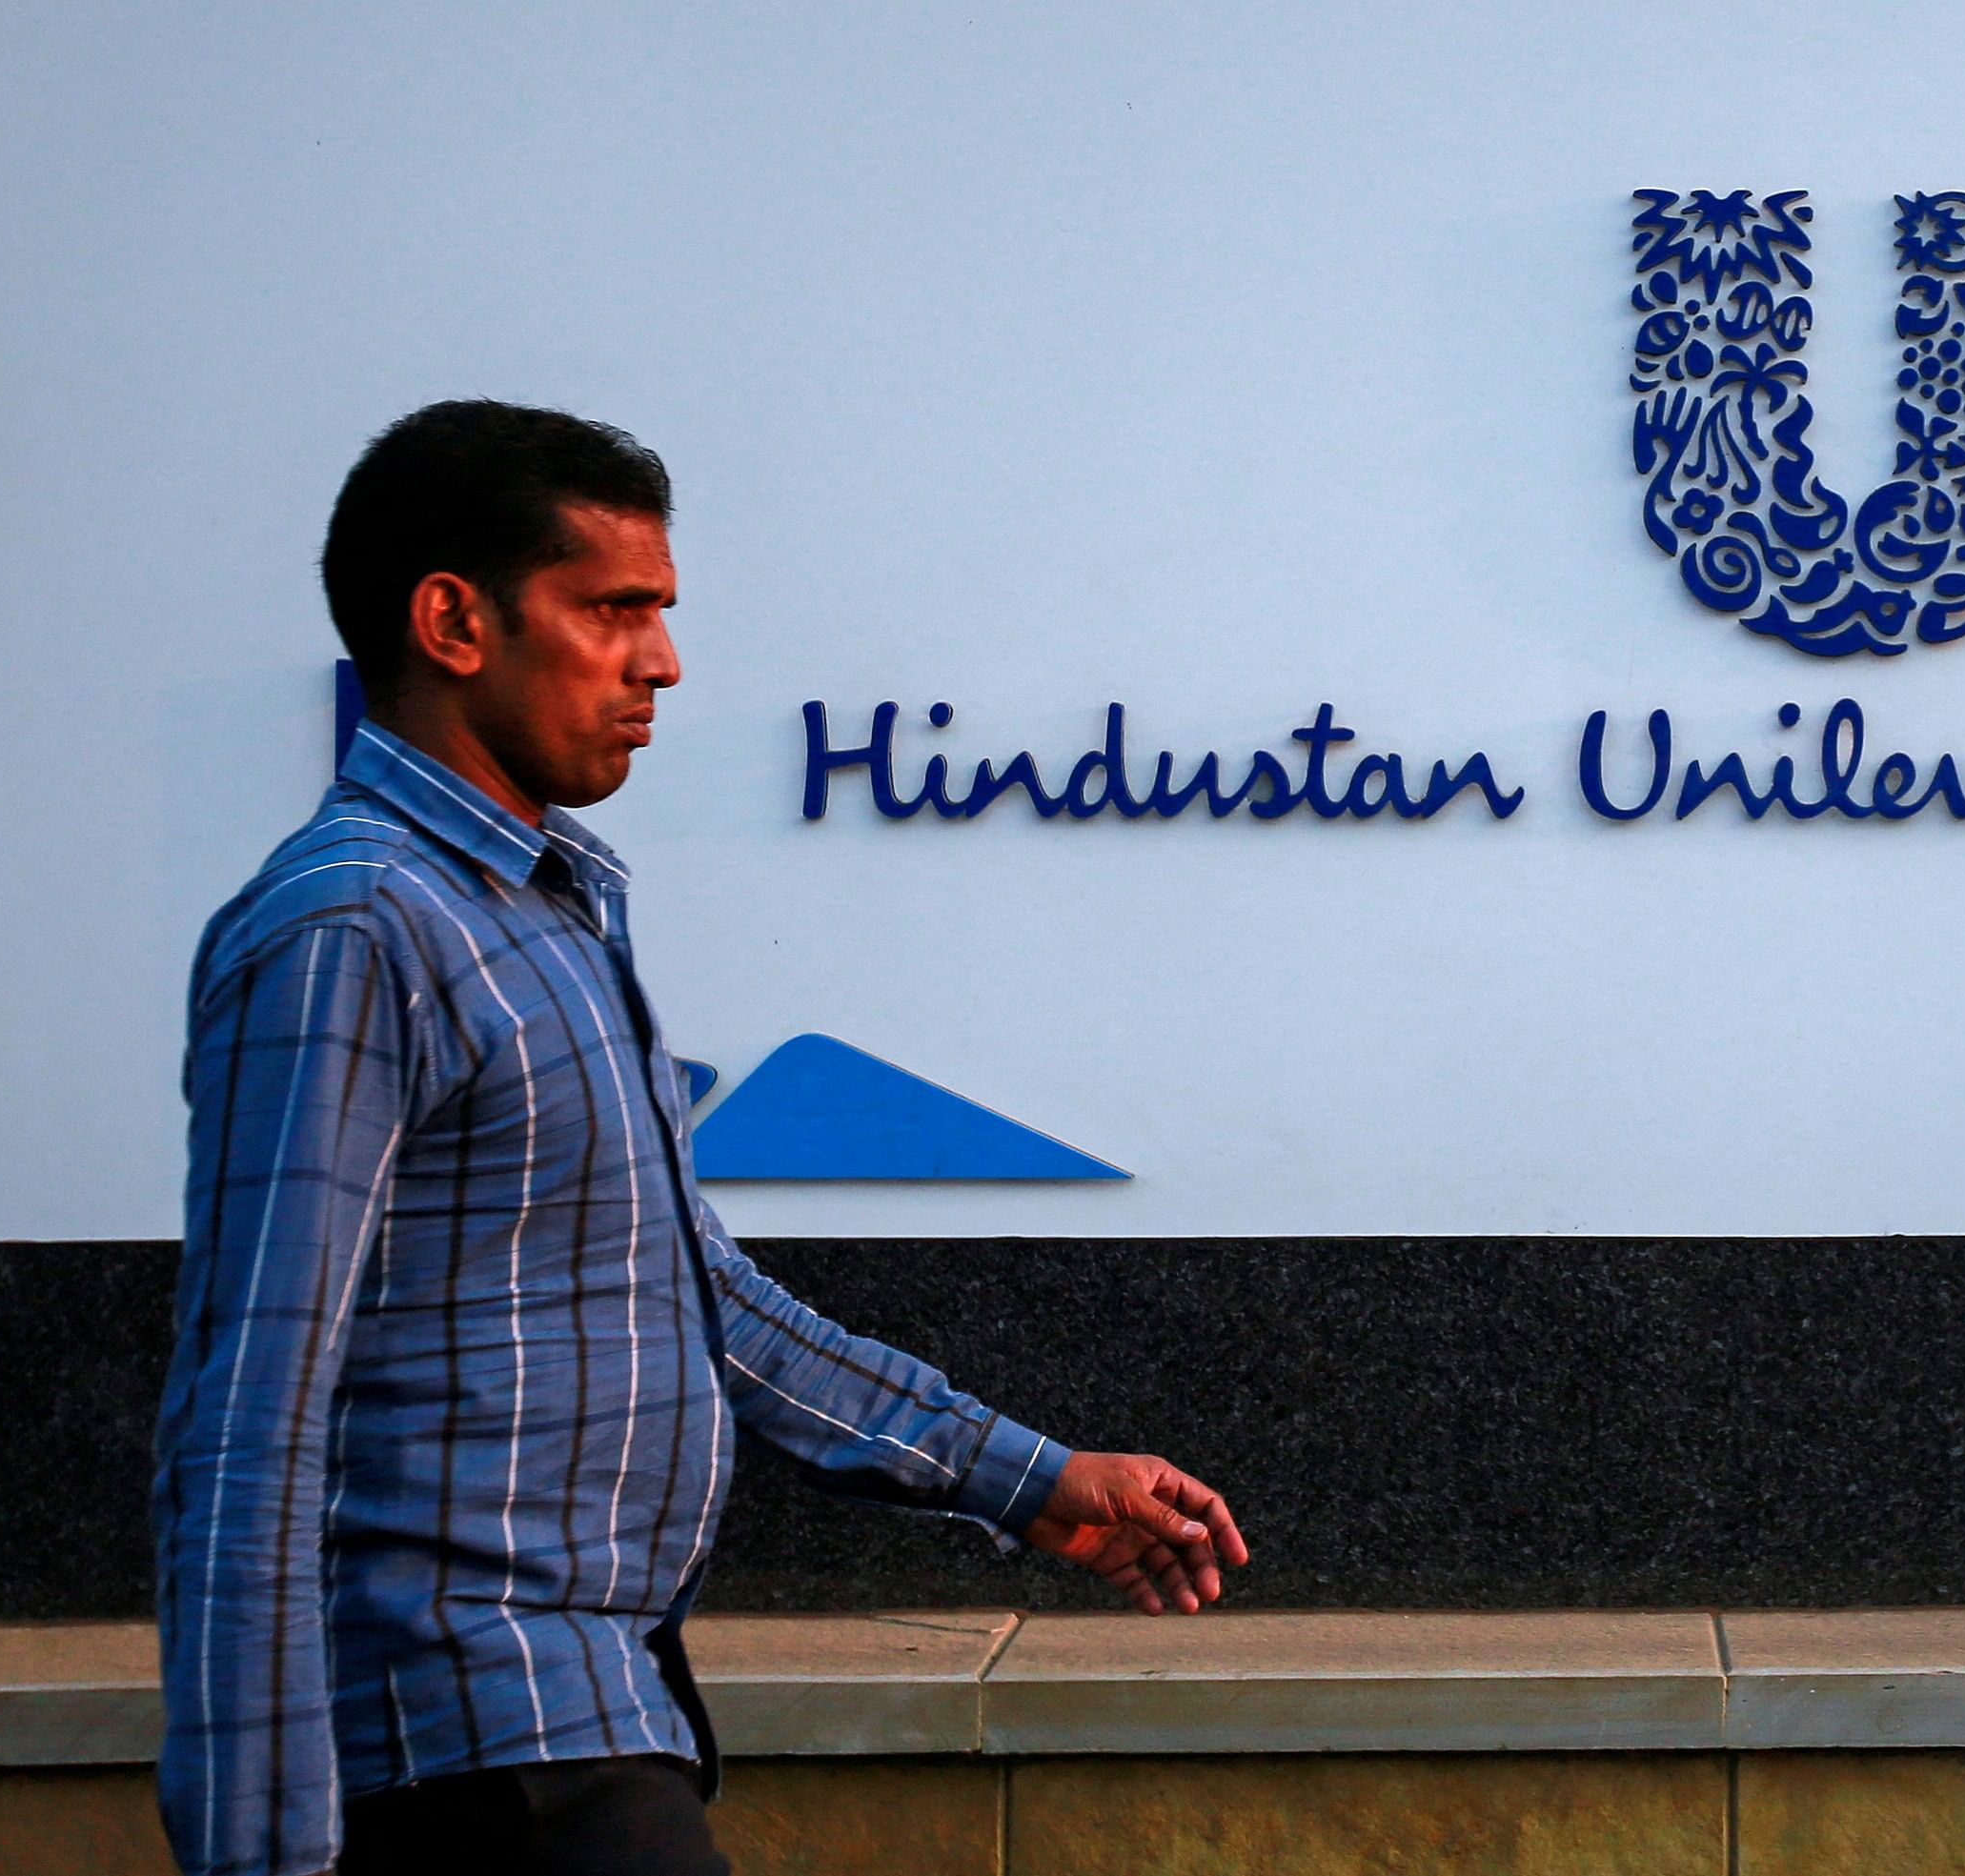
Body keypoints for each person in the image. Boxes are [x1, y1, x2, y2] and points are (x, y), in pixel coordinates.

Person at [154, 400, 1248, 1876]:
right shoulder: (357, 924)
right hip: (472, 1745)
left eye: (661, 613)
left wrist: (1037, 1477)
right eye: (615, 609)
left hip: (583, 1713)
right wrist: (259, 1851)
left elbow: (707, 1304)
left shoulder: (543, 913)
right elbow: (247, 1415)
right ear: (452, 621)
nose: (660, 659)